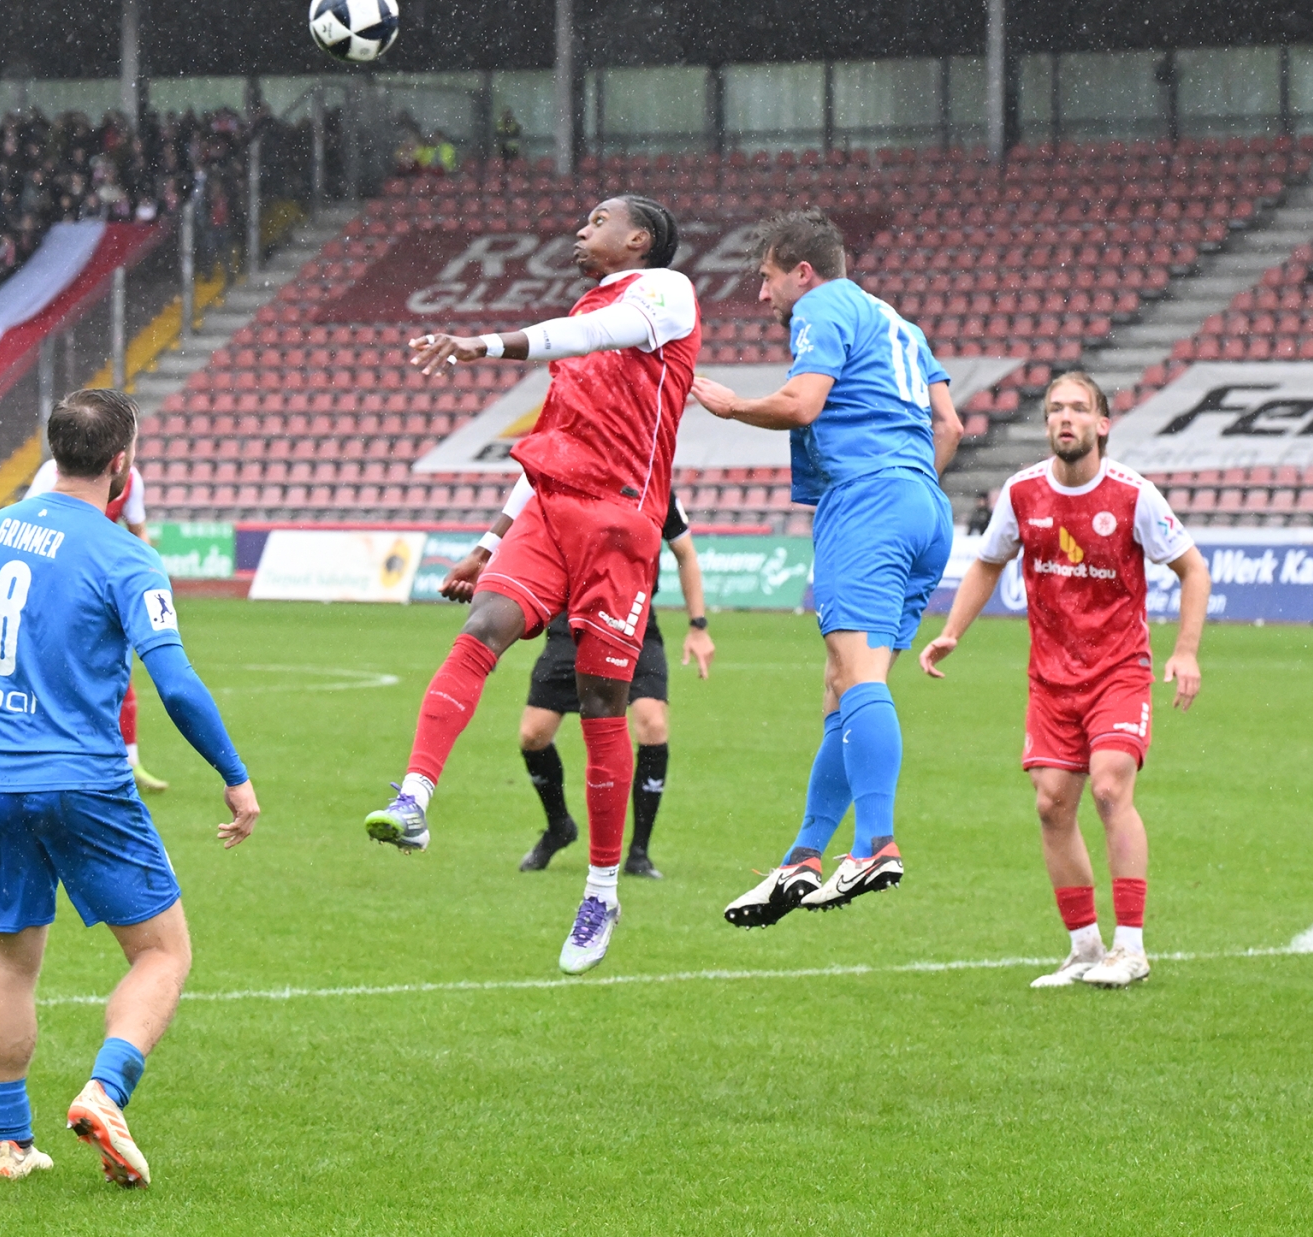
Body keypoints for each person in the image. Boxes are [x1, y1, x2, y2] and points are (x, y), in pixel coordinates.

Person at [363, 195, 699, 975]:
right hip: (550, 510)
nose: (582, 228)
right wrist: (488, 542)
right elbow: (553, 441)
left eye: (599, 220)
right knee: (483, 626)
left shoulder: (665, 294)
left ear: (639, 238)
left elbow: (592, 334)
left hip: (619, 523)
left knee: (602, 704)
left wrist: (482, 344)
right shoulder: (584, 314)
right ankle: (414, 797)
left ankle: (602, 890)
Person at [0, 389, 259, 1185]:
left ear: (53, 451)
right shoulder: (126, 556)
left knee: (11, 962)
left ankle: (11, 1145)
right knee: (162, 951)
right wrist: (233, 774)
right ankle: (105, 1089)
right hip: (81, 776)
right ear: (121, 463)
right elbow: (176, 683)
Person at [693, 209, 962, 927]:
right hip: (925, 506)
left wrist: (731, 405)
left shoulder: (823, 306)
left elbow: (802, 404)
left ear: (803, 273)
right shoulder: (901, 325)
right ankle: (804, 857)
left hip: (868, 503)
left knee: (858, 678)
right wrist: (906, 484)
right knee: (842, 689)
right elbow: (951, 426)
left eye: (767, 278)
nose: (763, 295)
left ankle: (875, 843)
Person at [919, 371, 1210, 989]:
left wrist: (1185, 652)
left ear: (1102, 425)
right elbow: (988, 563)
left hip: (1118, 671)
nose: (1065, 418)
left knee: (1108, 788)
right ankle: (1084, 949)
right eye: (1055, 409)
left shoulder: (1133, 495)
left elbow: (1194, 570)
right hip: (1051, 679)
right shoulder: (1022, 492)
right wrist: (952, 632)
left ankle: (1131, 948)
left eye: (1078, 409)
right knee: (1052, 804)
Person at [440, 475, 715, 878]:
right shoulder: (569, 478)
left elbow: (685, 554)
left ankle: (638, 852)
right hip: (570, 621)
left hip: (633, 618)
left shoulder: (655, 486)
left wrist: (698, 625)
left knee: (652, 724)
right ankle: (559, 827)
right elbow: (523, 538)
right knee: (533, 735)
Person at [28, 455, 169, 792]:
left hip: (98, 590)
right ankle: (46, 758)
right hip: (56, 586)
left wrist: (148, 570)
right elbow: (29, 521)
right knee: (51, 670)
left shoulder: (131, 480)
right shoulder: (53, 472)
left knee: (118, 672)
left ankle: (128, 763)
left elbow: (138, 531)